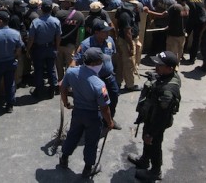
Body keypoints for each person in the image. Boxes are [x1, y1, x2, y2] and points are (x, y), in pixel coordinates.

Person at [59, 47, 114, 178]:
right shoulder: (99, 84)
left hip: (78, 112)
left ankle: (64, 158)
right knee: (91, 142)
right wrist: (110, 122)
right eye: (101, 62)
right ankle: (88, 169)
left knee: (72, 135)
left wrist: (65, 102)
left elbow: (62, 87)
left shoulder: (71, 72)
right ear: (95, 64)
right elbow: (105, 108)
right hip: (93, 116)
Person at [128, 51, 181, 181]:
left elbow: (161, 117)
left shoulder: (167, 92)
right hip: (150, 116)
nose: (156, 67)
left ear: (170, 68)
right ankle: (145, 160)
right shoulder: (167, 75)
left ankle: (155, 171)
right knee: (147, 140)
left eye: (160, 65)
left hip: (156, 123)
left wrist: (151, 133)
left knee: (154, 145)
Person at [71, 20, 121, 129]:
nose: (108, 33)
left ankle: (109, 120)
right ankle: (92, 123)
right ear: (96, 32)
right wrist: (70, 76)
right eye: (105, 31)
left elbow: (113, 56)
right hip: (94, 80)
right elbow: (76, 60)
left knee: (114, 97)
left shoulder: (110, 41)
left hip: (109, 78)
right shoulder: (85, 45)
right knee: (94, 104)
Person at [27, 0, 62, 99]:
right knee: (51, 69)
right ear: (51, 9)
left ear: (41, 9)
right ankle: (52, 90)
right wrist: (57, 48)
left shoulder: (35, 22)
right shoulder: (56, 21)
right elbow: (58, 37)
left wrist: (28, 49)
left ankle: (39, 91)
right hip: (51, 48)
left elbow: (31, 39)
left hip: (38, 49)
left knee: (38, 70)